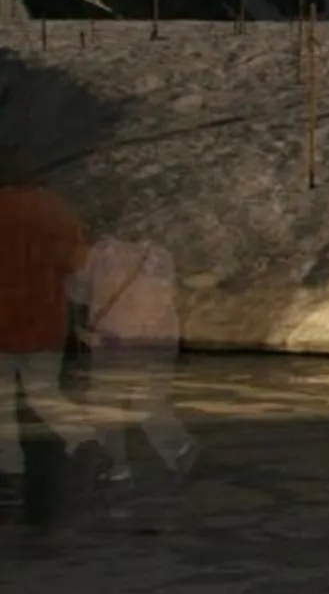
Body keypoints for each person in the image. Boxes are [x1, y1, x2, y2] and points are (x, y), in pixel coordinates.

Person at [0, 150, 95, 509]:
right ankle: (80, 441)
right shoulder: (55, 211)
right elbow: (77, 264)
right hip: (44, 323)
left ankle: (8, 475)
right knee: (43, 394)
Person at [70, 229, 195, 483]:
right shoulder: (159, 255)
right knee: (149, 401)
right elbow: (167, 295)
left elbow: (77, 291)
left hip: (113, 341)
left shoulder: (101, 254)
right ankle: (178, 448)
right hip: (157, 341)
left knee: (105, 405)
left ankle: (117, 464)